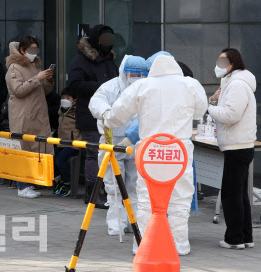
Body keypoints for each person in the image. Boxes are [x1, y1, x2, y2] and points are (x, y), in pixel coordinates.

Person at [103, 52, 208, 255]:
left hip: (150, 151)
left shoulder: (142, 86)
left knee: (146, 199)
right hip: (179, 151)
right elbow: (199, 112)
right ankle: (180, 244)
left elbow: (117, 115)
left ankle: (143, 244)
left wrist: (107, 120)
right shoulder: (191, 85)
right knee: (180, 198)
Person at [89, 55, 146, 236]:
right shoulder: (111, 87)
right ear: (124, 72)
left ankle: (134, 222)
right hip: (112, 141)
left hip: (136, 142)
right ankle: (116, 223)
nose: (134, 77)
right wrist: (106, 112)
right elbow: (96, 101)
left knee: (135, 186)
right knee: (113, 186)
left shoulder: (145, 87)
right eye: (132, 73)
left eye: (138, 74)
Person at [208, 48, 257, 250]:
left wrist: (209, 108)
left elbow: (230, 115)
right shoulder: (233, 83)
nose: (218, 66)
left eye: (222, 62)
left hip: (238, 146)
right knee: (238, 193)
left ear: (232, 64)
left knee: (231, 194)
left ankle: (234, 238)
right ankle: (245, 237)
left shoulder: (237, 85)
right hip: (238, 145)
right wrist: (213, 100)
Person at [67, 24, 118, 207]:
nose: (108, 44)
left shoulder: (109, 60)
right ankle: (93, 193)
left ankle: (106, 190)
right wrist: (101, 87)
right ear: (96, 40)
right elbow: (74, 84)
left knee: (106, 154)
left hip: (110, 115)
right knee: (93, 153)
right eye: (104, 40)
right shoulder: (81, 60)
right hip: (89, 114)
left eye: (110, 40)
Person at [5, 35, 55, 198]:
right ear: (22, 50)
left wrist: (47, 79)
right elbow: (18, 91)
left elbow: (43, 91)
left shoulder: (34, 66)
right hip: (23, 115)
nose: (34, 53)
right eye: (31, 49)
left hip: (37, 113)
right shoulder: (14, 68)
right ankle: (22, 186)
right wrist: (37, 78)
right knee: (23, 149)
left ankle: (30, 184)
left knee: (35, 149)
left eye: (36, 49)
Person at [53, 89, 80, 195]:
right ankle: (58, 179)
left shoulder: (77, 112)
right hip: (61, 143)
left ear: (74, 101)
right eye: (63, 98)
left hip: (74, 145)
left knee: (61, 159)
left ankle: (67, 183)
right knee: (53, 157)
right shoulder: (60, 111)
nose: (65, 100)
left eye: (68, 98)